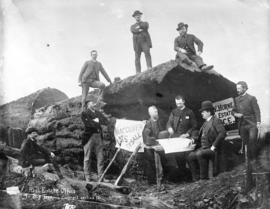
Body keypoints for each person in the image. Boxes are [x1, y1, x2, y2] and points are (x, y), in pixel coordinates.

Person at [187, 101, 226, 181]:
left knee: (199, 154)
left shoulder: (216, 120)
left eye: (203, 112)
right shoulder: (205, 123)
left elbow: (222, 133)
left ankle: (203, 178)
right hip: (204, 147)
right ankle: (195, 179)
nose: (202, 114)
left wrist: (214, 146)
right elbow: (200, 135)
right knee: (190, 156)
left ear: (209, 112)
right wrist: (194, 139)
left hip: (212, 148)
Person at [166, 95, 197, 172]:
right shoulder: (174, 112)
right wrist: (169, 128)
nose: (178, 105)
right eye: (177, 103)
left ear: (183, 101)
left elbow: (195, 125)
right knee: (178, 157)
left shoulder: (189, 112)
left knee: (188, 157)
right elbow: (169, 123)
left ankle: (191, 173)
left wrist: (187, 134)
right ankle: (182, 173)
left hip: (186, 137)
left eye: (180, 103)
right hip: (176, 138)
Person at [81, 100, 109, 182]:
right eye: (91, 103)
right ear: (88, 105)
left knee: (100, 157)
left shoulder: (98, 112)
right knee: (87, 158)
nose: (93, 104)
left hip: (98, 136)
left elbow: (105, 121)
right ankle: (87, 178)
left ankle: (101, 177)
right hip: (89, 137)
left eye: (93, 103)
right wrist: (96, 121)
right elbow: (88, 124)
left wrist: (98, 120)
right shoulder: (84, 113)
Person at [232, 81, 261, 160]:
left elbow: (257, 111)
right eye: (236, 88)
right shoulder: (236, 99)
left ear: (244, 88)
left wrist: (258, 122)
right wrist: (236, 114)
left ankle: (255, 160)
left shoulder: (251, 98)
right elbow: (233, 111)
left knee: (252, 140)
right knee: (245, 143)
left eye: (239, 88)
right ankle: (247, 162)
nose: (237, 90)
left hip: (252, 124)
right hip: (242, 125)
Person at [142, 106, 167, 190]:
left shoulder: (160, 121)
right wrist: (155, 141)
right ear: (150, 113)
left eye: (156, 111)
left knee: (164, 157)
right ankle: (153, 181)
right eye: (154, 112)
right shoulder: (148, 123)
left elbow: (164, 132)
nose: (156, 113)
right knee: (150, 159)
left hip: (160, 144)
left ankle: (163, 178)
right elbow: (147, 137)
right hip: (151, 146)